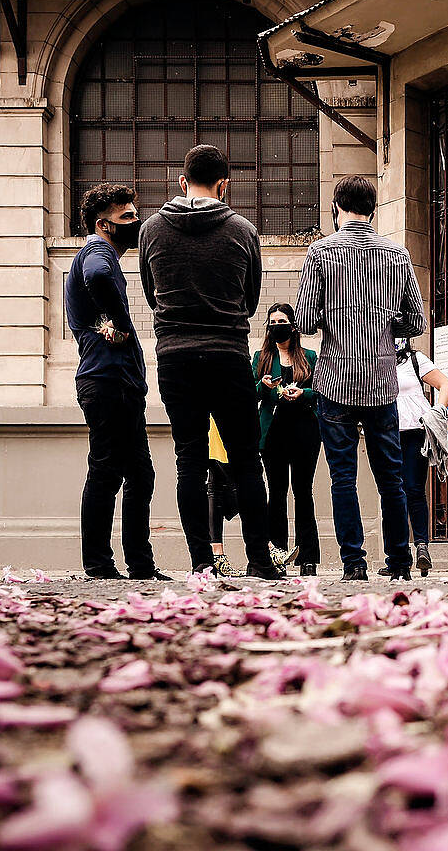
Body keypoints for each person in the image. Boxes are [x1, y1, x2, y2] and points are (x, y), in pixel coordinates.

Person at [139, 145, 280, 578]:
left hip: (175, 357)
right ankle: (259, 561)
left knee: (189, 460)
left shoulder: (151, 230)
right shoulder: (243, 231)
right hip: (227, 354)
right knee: (246, 460)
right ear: (224, 185)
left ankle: (202, 561)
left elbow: (151, 295)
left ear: (182, 182)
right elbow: (251, 301)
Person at [295, 174, 426, 581]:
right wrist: (384, 326)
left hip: (335, 381)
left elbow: (304, 321)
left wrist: (335, 320)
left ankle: (354, 563)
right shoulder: (397, 254)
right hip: (382, 381)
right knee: (391, 479)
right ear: (374, 209)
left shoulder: (320, 253)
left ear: (337, 207)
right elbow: (417, 321)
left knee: (342, 478)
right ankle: (400, 562)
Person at [65, 184, 167, 581]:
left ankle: (139, 564)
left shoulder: (102, 253)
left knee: (138, 474)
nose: (135, 222)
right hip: (107, 381)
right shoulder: (97, 251)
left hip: (117, 382)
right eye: (126, 217)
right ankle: (99, 564)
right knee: (108, 470)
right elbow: (96, 276)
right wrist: (121, 324)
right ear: (103, 224)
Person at [252, 304, 321, 577]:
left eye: (282, 321)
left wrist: (303, 393)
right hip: (273, 434)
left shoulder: (309, 356)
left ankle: (308, 557)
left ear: (293, 326)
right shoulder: (261, 357)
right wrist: (264, 385)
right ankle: (277, 554)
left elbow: (322, 390)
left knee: (303, 493)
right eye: (273, 322)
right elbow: (249, 394)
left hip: (305, 431)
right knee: (277, 494)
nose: (277, 326)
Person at [387, 338, 448, 577]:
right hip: (387, 433)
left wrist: (438, 411)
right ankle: (397, 555)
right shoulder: (375, 361)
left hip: (415, 432)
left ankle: (422, 546)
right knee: (392, 493)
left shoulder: (415, 359)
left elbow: (446, 385)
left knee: (414, 490)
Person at [206, 419, 240, 577]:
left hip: (226, 421)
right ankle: (266, 546)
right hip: (217, 421)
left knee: (216, 485)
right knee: (241, 483)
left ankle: (217, 553)